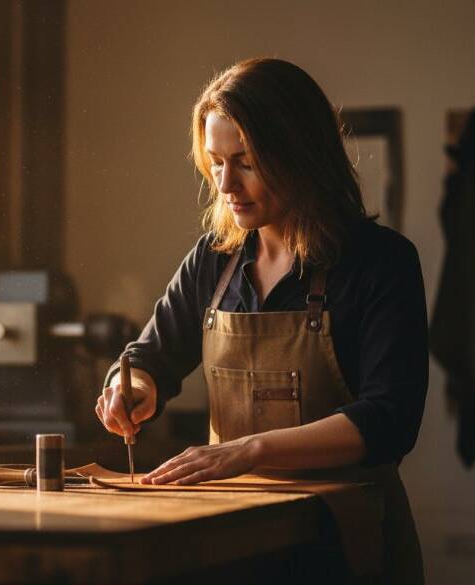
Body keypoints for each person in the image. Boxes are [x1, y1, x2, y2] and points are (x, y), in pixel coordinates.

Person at [94, 58, 427, 584]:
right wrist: (129, 385)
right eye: (216, 162)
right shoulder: (213, 260)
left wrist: (249, 450)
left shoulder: (380, 262)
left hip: (344, 542)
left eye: (245, 162)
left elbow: (390, 419)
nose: (226, 184)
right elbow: (149, 356)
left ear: (300, 153)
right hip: (235, 541)